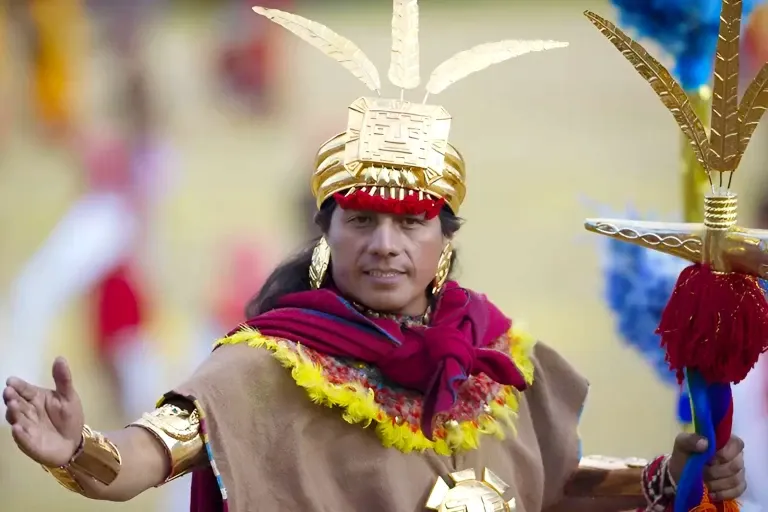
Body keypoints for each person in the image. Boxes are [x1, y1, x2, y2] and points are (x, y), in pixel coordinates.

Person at [2, 3, 748, 511]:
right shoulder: (263, 365)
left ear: (444, 241)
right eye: (360, 221)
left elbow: (547, 484)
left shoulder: (496, 359)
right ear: (325, 233)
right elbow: (145, 458)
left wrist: (663, 480)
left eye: (411, 223)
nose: (385, 244)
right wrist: (79, 452)